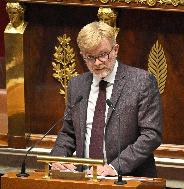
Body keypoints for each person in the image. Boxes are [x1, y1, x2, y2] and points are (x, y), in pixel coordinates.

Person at [50, 21, 163, 178]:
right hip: (85, 179)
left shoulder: (141, 82)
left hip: (129, 178)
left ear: (115, 49)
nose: (97, 63)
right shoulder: (77, 85)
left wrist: (115, 167)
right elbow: (68, 133)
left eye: (103, 55)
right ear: (82, 55)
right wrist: (58, 158)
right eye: (90, 57)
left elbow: (151, 135)